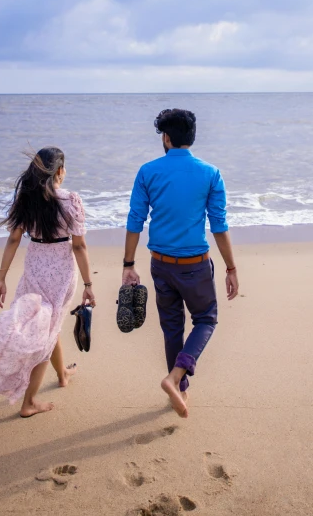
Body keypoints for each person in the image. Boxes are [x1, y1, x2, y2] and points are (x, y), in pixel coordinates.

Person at [0, 147, 95, 418]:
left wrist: (2, 277)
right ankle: (29, 403)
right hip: (60, 273)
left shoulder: (26, 199)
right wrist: (89, 285)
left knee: (47, 324)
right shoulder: (70, 200)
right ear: (60, 171)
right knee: (44, 330)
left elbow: (13, 239)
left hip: (34, 268)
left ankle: (62, 374)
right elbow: (79, 247)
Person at [122, 108, 239, 419]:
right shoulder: (210, 173)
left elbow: (135, 220)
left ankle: (181, 390)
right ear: (192, 137)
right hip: (196, 265)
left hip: (160, 264)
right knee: (206, 320)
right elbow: (218, 225)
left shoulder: (148, 171)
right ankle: (175, 379)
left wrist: (128, 264)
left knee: (172, 327)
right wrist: (231, 268)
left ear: (166, 137)